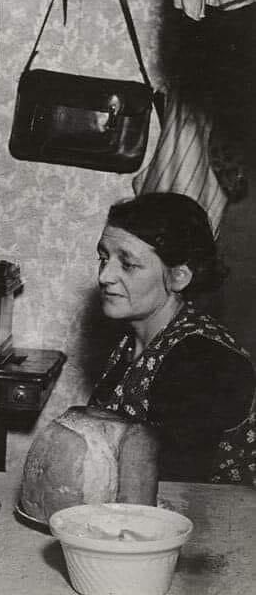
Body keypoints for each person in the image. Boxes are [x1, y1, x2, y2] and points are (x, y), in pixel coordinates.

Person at [89, 192, 255, 483]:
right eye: (104, 258)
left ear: (178, 276)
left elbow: (176, 480)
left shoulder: (202, 360)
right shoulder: (135, 341)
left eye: (127, 264)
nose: (105, 276)